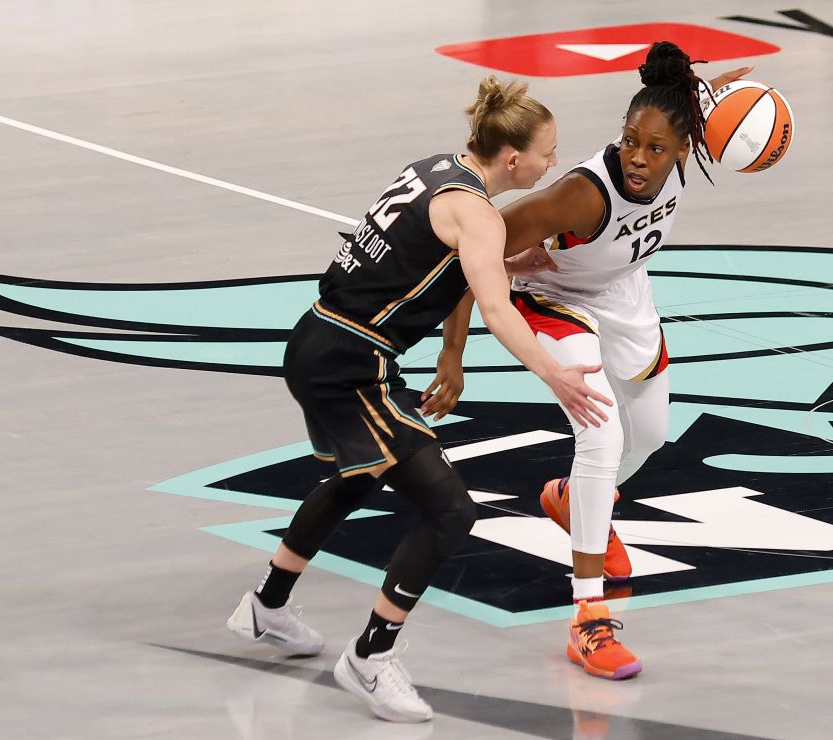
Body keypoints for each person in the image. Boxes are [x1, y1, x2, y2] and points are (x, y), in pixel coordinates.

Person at [226, 76, 612, 723]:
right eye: (549, 151)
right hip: (352, 363)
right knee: (449, 511)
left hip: (316, 338)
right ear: (513, 159)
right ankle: (370, 659)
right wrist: (554, 373)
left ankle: (266, 606)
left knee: (357, 476)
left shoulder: (434, 168)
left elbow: (430, 260)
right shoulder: (480, 216)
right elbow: (491, 301)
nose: (555, 163)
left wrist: (505, 268)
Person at [497, 42, 753, 680]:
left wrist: (723, 97)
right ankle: (588, 620)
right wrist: (457, 347)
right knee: (602, 435)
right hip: (553, 295)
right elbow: (478, 239)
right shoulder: (583, 196)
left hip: (623, 294)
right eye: (630, 140)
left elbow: (700, 110)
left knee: (650, 438)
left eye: (657, 148)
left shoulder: (686, 143)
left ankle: (569, 499)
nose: (639, 157)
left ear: (685, 147)